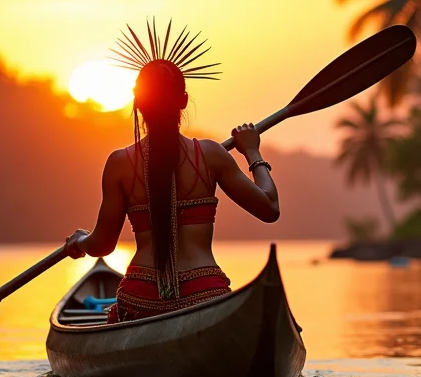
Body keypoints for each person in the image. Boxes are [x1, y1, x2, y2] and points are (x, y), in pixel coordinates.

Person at [63, 22, 280, 322]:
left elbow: (103, 245)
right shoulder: (211, 155)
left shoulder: (119, 163)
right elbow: (270, 207)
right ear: (183, 101)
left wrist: (80, 240)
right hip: (204, 294)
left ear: (138, 104)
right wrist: (252, 152)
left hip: (141, 300)